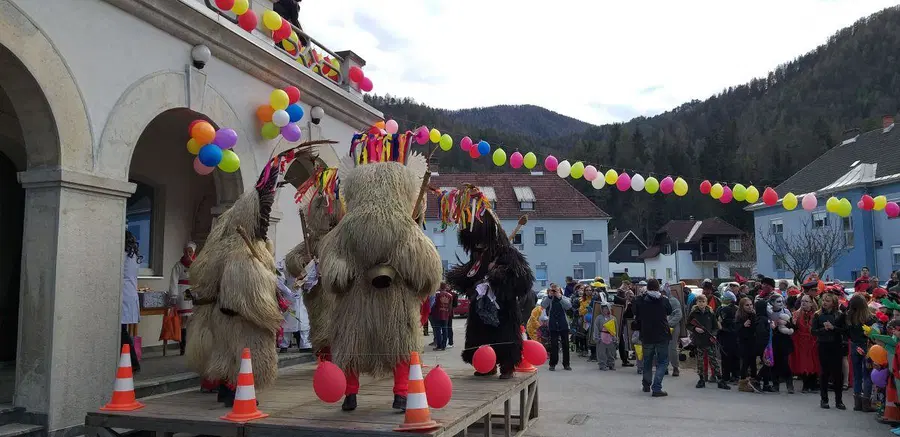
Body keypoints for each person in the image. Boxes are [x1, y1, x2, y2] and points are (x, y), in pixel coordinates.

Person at [633, 279, 672, 397]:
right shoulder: (664, 300)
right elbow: (669, 310)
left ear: (647, 288)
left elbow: (635, 311)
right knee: (663, 361)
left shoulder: (641, 301)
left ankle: (646, 384)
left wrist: (640, 296)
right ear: (658, 287)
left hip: (647, 335)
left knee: (647, 360)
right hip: (662, 335)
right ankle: (657, 387)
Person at [811, 293, 847, 410]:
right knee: (824, 373)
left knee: (838, 374)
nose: (825, 303)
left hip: (836, 346)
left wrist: (834, 328)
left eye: (828, 301)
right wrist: (823, 329)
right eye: (824, 300)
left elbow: (845, 331)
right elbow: (813, 331)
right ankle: (824, 399)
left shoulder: (840, 315)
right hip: (823, 345)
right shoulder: (818, 315)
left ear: (834, 303)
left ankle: (839, 400)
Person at [688, 295, 729, 389]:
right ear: (696, 303)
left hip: (709, 340)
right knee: (700, 361)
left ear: (706, 303)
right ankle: (701, 379)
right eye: (699, 301)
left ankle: (720, 379)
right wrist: (695, 328)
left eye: (703, 301)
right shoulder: (694, 313)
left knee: (713, 360)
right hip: (699, 341)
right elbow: (688, 324)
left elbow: (715, 326)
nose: (701, 303)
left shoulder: (710, 313)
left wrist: (714, 334)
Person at [846, 294, 876, 411]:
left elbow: (847, 333)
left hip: (854, 346)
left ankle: (857, 403)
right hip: (867, 346)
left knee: (857, 375)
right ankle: (866, 402)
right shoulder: (871, 319)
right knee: (867, 374)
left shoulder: (849, 318)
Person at [168, 241, 196, 356]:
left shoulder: (196, 264)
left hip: (192, 291)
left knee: (192, 319)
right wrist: (173, 295)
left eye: (190, 252)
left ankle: (190, 345)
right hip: (183, 291)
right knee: (185, 318)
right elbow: (173, 281)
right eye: (186, 252)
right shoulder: (178, 265)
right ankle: (183, 346)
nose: (188, 254)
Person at [790, 294, 820, 393]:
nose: (803, 303)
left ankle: (813, 384)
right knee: (803, 363)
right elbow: (793, 328)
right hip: (801, 342)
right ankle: (806, 385)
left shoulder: (816, 314)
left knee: (814, 363)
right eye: (802, 301)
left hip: (813, 341)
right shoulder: (796, 314)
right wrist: (793, 323)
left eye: (806, 301)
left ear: (811, 303)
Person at [122, 231, 141, 373]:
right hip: (130, 295)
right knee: (123, 331)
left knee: (121, 332)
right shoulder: (133, 256)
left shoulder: (122, 256)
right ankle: (129, 361)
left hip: (123, 296)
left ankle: (133, 362)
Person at [541, 284, 572, 371]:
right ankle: (552, 364)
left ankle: (566, 364)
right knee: (553, 345)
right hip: (553, 323)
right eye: (553, 290)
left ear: (560, 290)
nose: (554, 292)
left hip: (563, 323)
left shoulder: (564, 298)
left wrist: (559, 297)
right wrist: (550, 296)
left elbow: (568, 306)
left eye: (556, 290)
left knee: (565, 344)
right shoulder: (548, 298)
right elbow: (543, 305)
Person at [735, 297, 759, 392]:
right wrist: (743, 325)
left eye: (750, 304)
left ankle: (753, 380)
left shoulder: (753, 314)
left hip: (752, 342)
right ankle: (742, 383)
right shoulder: (740, 316)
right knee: (745, 362)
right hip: (743, 343)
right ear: (742, 306)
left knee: (753, 362)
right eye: (747, 305)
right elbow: (736, 330)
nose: (749, 307)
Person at [717, 291, 739, 383]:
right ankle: (732, 375)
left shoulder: (733, 309)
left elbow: (719, 321)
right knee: (730, 357)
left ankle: (730, 375)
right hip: (727, 335)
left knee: (729, 357)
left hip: (729, 335)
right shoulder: (721, 309)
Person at [593, 302, 618, 370]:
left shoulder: (613, 318)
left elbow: (616, 329)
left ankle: (611, 364)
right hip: (602, 336)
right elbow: (596, 328)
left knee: (611, 352)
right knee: (601, 352)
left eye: (607, 308)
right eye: (604, 308)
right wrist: (597, 337)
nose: (605, 310)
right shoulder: (599, 318)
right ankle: (602, 365)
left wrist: (616, 338)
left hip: (611, 337)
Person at [666, 286, 683, 377]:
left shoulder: (674, 301)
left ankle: (675, 367)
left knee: (672, 348)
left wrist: (669, 323)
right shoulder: (659, 300)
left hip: (673, 327)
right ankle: (664, 366)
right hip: (662, 327)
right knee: (662, 348)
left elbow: (678, 314)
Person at [432, 284, 454, 351]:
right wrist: (448, 314)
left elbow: (433, 304)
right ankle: (443, 346)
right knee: (445, 330)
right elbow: (450, 307)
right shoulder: (450, 296)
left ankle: (439, 345)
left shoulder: (437, 295)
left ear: (440, 287)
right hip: (445, 315)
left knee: (438, 330)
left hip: (437, 314)